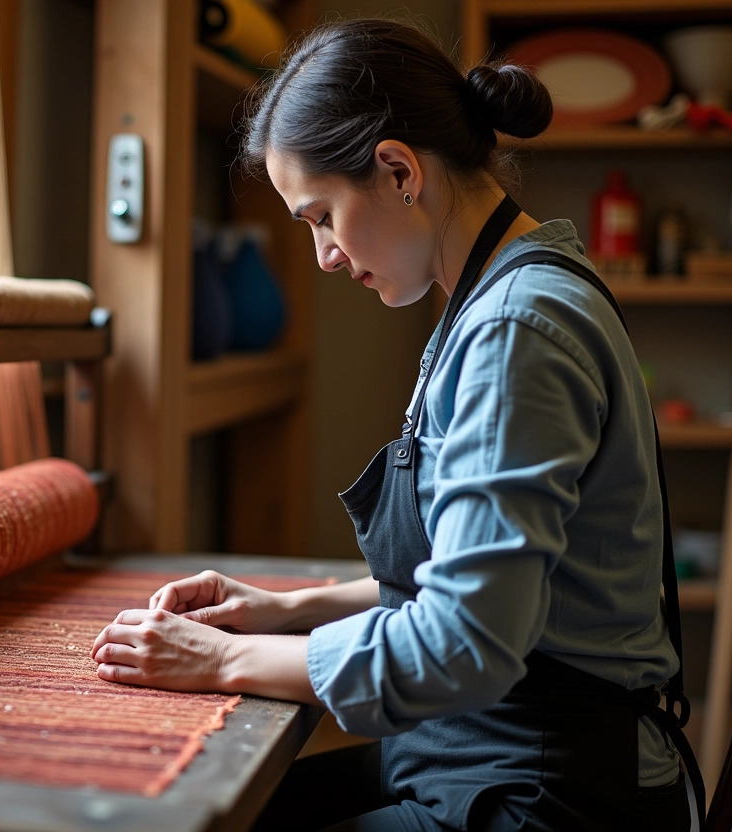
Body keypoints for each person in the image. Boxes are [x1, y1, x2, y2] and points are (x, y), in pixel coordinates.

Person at [91, 17, 695, 832]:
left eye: (321, 217)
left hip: (555, 787)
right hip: (498, 743)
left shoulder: (516, 329)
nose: (324, 257)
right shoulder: (498, 301)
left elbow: (466, 643)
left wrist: (223, 657)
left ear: (398, 170)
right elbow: (482, 577)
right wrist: (281, 607)